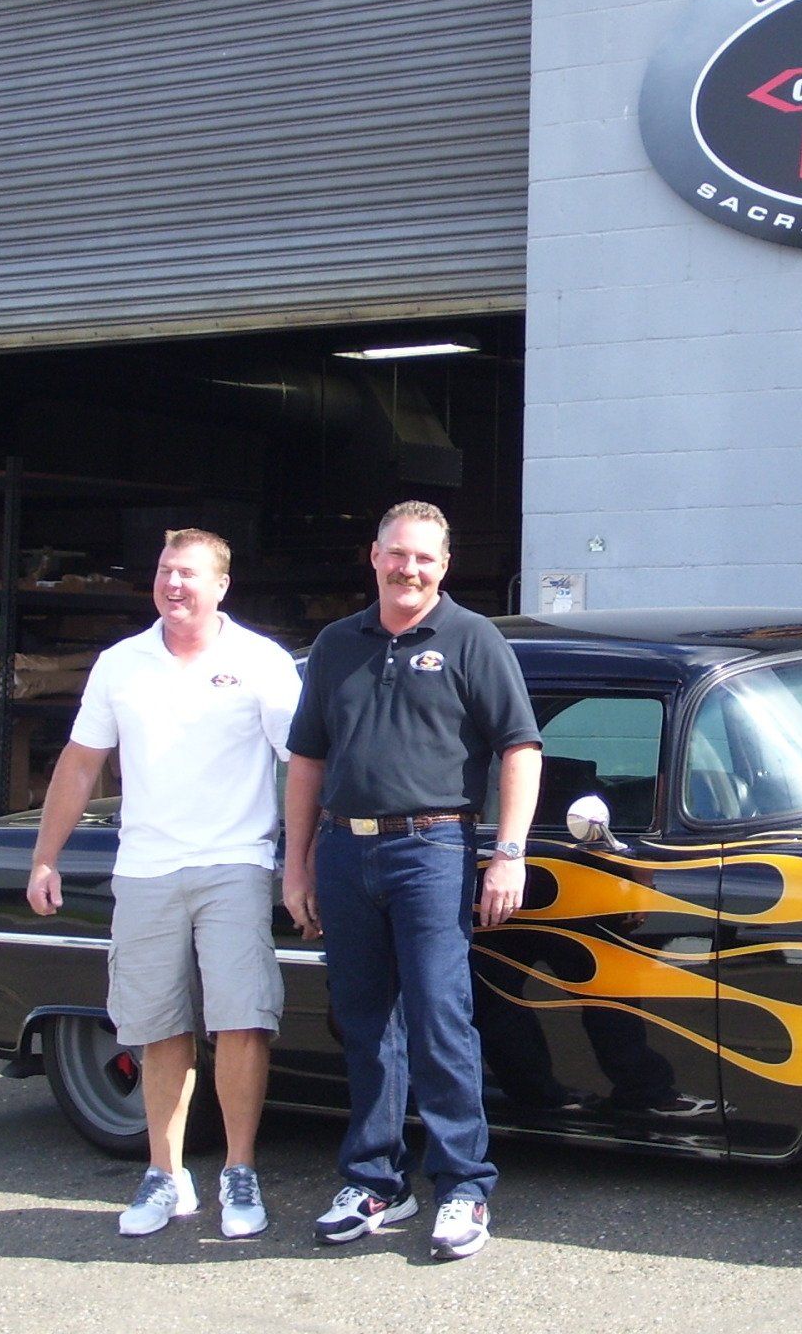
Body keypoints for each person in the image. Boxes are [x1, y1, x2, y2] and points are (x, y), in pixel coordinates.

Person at [283, 500, 541, 1261]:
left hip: (433, 848)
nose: (409, 569)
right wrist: (295, 864)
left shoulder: (473, 639)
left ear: (444, 566)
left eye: (424, 558)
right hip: (342, 850)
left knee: (439, 1018)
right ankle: (373, 1184)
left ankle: (463, 1188)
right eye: (398, 554)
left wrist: (510, 851)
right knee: (364, 1024)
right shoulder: (336, 646)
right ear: (374, 555)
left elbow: (519, 747)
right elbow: (307, 762)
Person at [26, 529, 301, 1240]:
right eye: (164, 572)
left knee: (242, 1019)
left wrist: (301, 861)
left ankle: (239, 1172)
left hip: (235, 863)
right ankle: (164, 1174)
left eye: (187, 574)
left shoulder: (261, 662)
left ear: (220, 586)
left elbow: (304, 764)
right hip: (145, 869)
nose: (173, 585)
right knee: (156, 1026)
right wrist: (44, 857)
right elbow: (82, 763)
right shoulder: (122, 664)